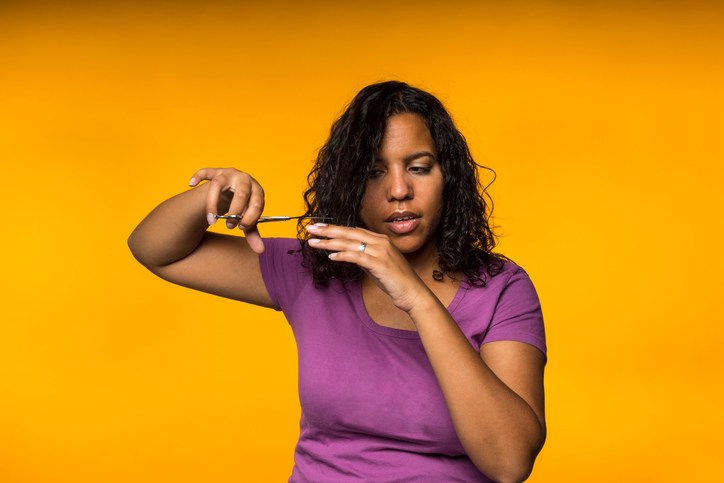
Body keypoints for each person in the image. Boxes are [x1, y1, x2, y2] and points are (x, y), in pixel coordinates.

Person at [128, 81, 547, 483]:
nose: (399, 189)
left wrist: (418, 299)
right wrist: (213, 198)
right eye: (373, 172)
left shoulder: (501, 288)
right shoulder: (313, 269)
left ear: (448, 177)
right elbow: (155, 250)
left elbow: (509, 464)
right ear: (349, 187)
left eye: (419, 168)